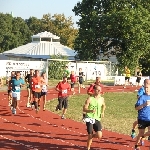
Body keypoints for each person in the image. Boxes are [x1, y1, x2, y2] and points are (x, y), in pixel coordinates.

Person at [83, 85, 106, 150]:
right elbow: (84, 109)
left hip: (97, 118)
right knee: (90, 134)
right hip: (89, 118)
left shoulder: (102, 99)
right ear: (94, 90)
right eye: (98, 90)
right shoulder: (90, 98)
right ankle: (88, 148)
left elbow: (104, 105)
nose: (99, 91)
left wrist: (102, 112)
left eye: (100, 90)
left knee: (99, 135)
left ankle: (91, 137)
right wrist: (90, 110)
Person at [134, 79, 150, 150]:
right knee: (140, 133)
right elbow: (136, 108)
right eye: (145, 88)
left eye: (147, 87)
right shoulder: (142, 97)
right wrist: (144, 104)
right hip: (142, 118)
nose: (146, 89)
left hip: (149, 118)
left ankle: (143, 136)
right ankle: (136, 146)